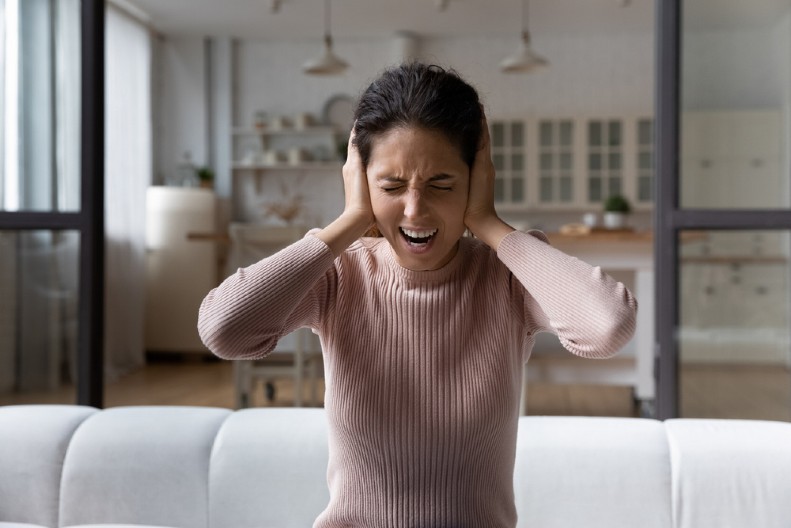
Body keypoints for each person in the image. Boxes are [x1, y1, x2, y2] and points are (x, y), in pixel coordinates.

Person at [198, 62, 637, 528]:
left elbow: (607, 325)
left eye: (442, 184)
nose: (414, 209)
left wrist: (489, 224)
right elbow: (223, 330)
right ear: (361, 181)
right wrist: (347, 224)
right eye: (390, 186)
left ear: (475, 180)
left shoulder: (505, 276)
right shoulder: (342, 273)